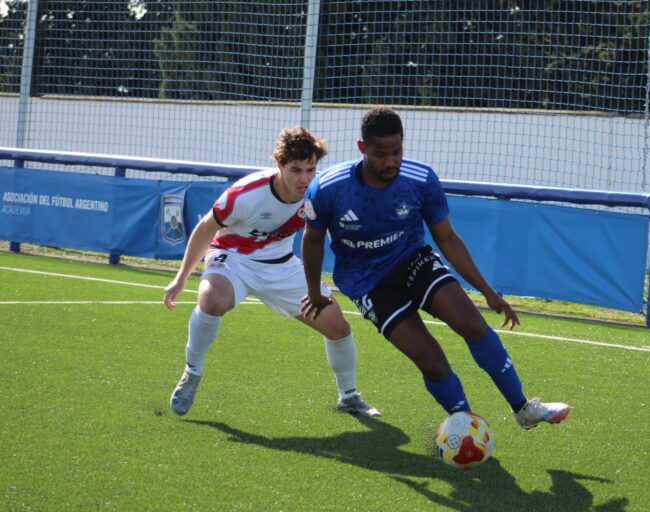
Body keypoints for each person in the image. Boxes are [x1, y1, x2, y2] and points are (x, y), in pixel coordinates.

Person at [301, 108, 569, 429]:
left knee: (472, 324)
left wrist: (487, 292)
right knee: (432, 361)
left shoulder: (420, 179)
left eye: (397, 151)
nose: (390, 162)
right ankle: (468, 428)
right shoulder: (330, 188)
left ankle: (523, 408)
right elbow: (312, 240)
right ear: (362, 148)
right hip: (368, 282)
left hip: (413, 260)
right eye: (380, 154)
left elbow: (447, 238)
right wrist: (315, 291)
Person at [164, 126, 380, 418]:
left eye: (311, 169)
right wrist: (181, 277)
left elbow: (332, 234)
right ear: (279, 166)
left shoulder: (318, 193)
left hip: (282, 265)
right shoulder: (246, 194)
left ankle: (349, 397)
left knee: (338, 327)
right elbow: (206, 229)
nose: (304, 178)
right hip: (233, 259)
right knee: (212, 302)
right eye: (296, 170)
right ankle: (192, 371)